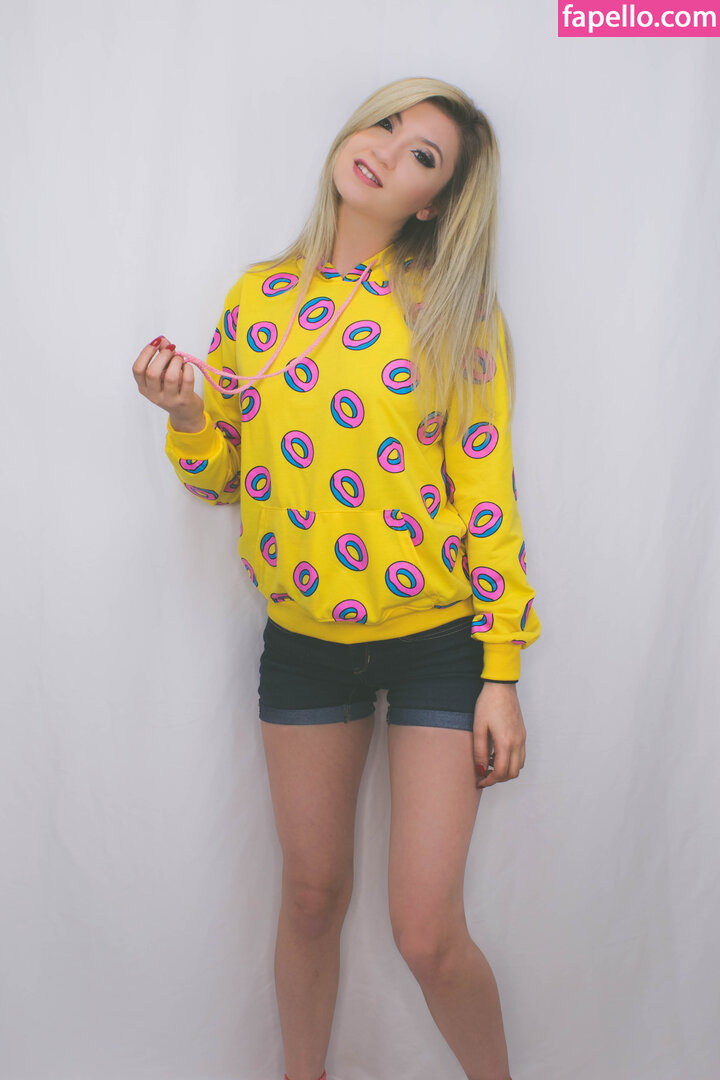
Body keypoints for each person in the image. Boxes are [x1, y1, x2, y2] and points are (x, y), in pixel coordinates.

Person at [133, 75, 539, 1080]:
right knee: (312, 898)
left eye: (422, 155)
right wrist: (186, 414)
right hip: (305, 645)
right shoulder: (259, 299)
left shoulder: (455, 316)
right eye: (387, 124)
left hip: (439, 642)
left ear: (432, 203)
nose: (388, 150)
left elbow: (487, 499)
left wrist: (500, 672)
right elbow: (220, 478)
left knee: (426, 934)